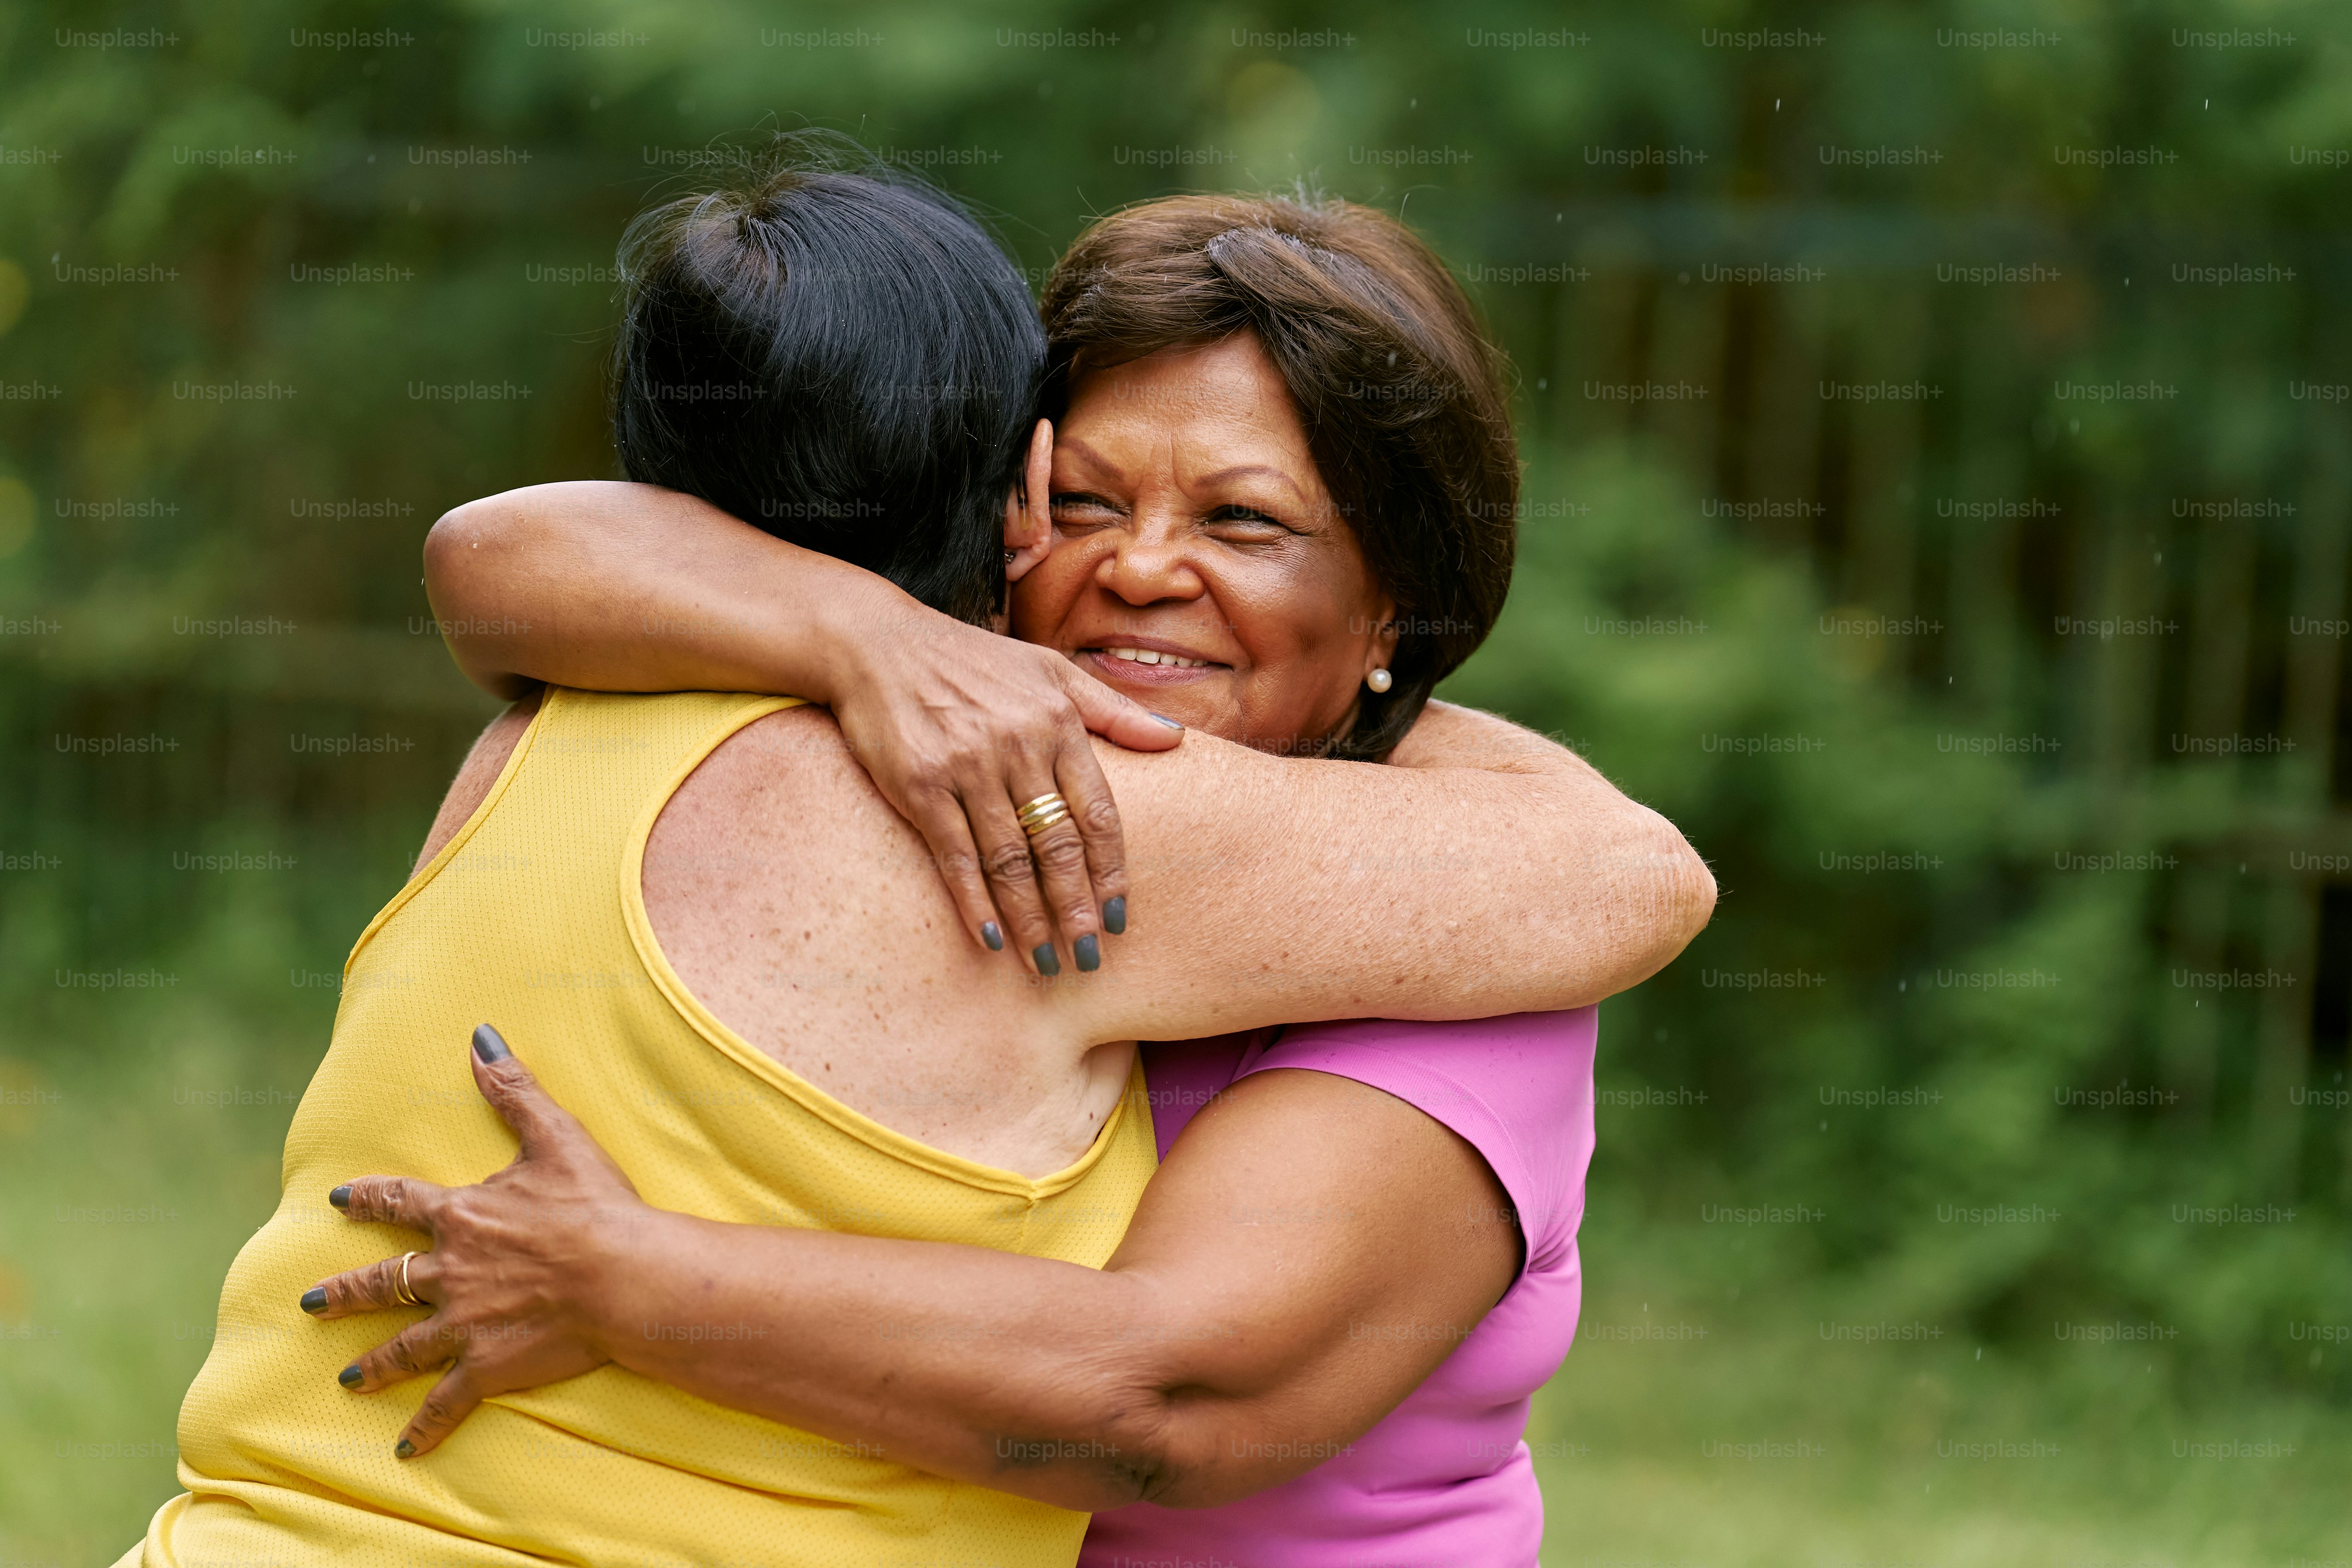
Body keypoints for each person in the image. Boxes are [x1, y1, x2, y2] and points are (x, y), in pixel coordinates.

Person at [119, 152, 1707, 1568]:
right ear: (1006, 506)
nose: (1140, 564)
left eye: (1244, 524)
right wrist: (861, 622)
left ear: (1391, 611)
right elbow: (495, 551)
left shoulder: (1465, 931)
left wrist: (627, 1277)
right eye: (1083, 498)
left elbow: (1168, 1392)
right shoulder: (927, 764)